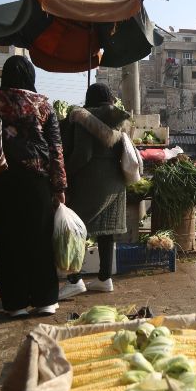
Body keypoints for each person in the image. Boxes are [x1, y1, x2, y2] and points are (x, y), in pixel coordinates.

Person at [0, 56, 66, 318]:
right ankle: (45, 300)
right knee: (40, 239)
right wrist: (59, 187)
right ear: (31, 76)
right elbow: (55, 149)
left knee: (8, 242)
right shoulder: (42, 104)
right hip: (37, 182)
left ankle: (15, 303)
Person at [58, 83, 129, 299]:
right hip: (116, 180)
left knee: (75, 228)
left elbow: (83, 154)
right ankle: (105, 278)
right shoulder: (120, 119)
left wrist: (65, 173)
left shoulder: (83, 117)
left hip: (92, 180)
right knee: (106, 230)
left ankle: (74, 280)